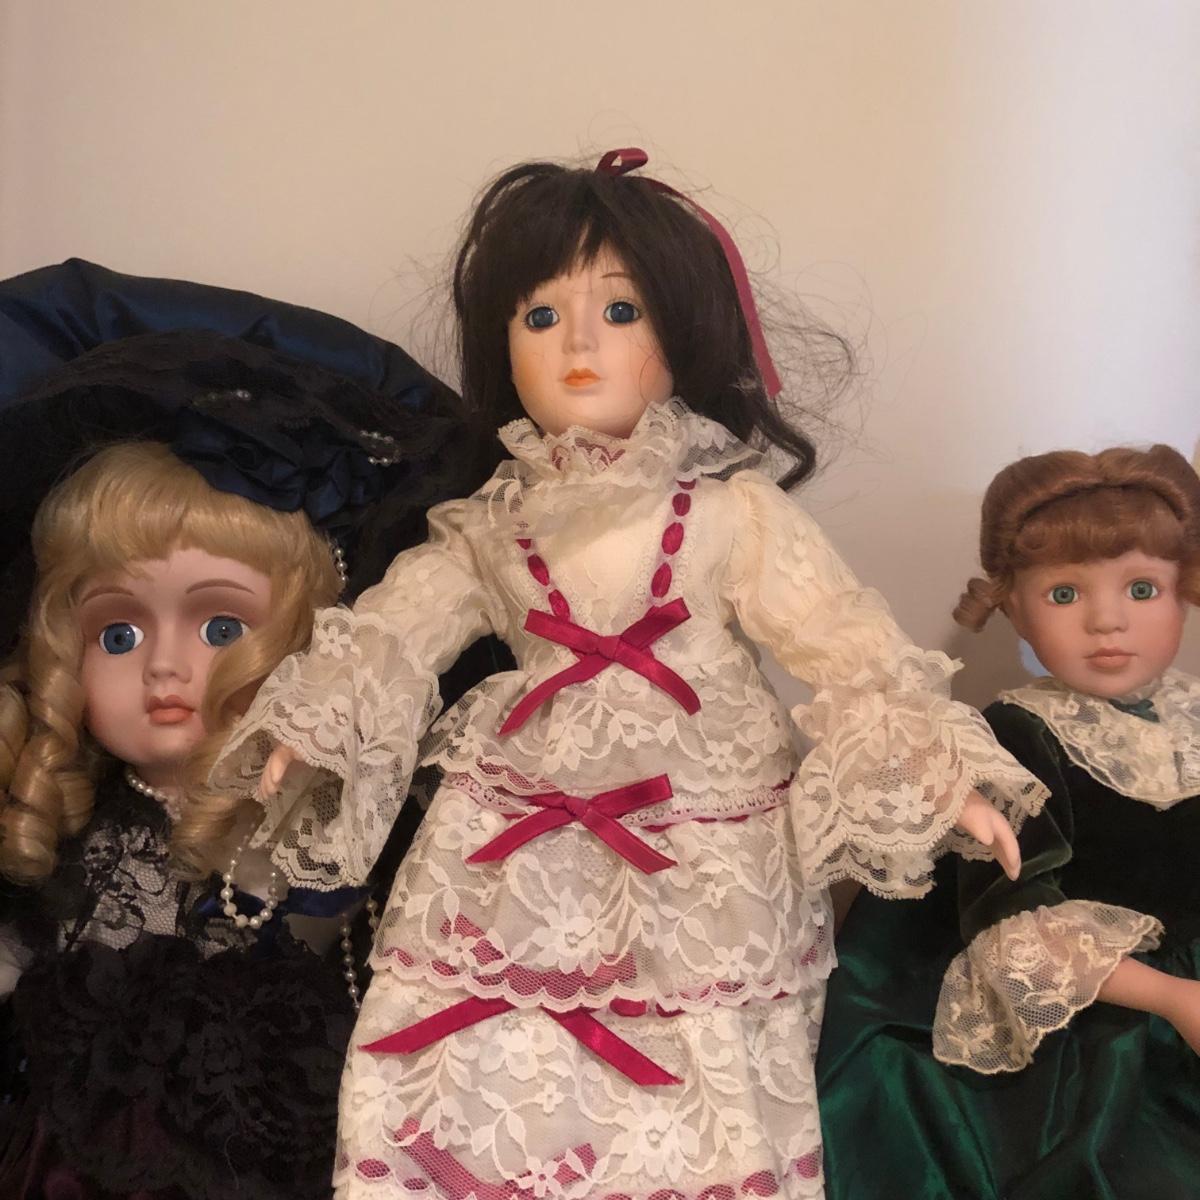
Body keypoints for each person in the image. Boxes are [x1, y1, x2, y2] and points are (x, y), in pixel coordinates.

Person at [215, 149, 1046, 1200]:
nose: (577, 345)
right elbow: (399, 626)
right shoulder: (491, 523)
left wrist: (928, 770)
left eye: (619, 311)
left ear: (685, 334)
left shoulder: (732, 511)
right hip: (517, 829)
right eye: (539, 315)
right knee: (492, 1039)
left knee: (705, 1050)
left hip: (705, 834)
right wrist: (318, 719)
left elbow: (839, 640)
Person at [0, 324, 463, 1200]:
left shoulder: (331, 830)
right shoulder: (79, 835)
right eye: (118, 634)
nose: (164, 668)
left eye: (220, 626)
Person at [817, 444, 1200, 1200]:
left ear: (1184, 591)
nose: (1107, 620)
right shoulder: (1016, 737)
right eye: (1063, 594)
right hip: (1100, 1011)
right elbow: (1013, 922)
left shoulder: (1192, 710)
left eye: (1143, 588)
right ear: (1013, 608)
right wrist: (1173, 998)